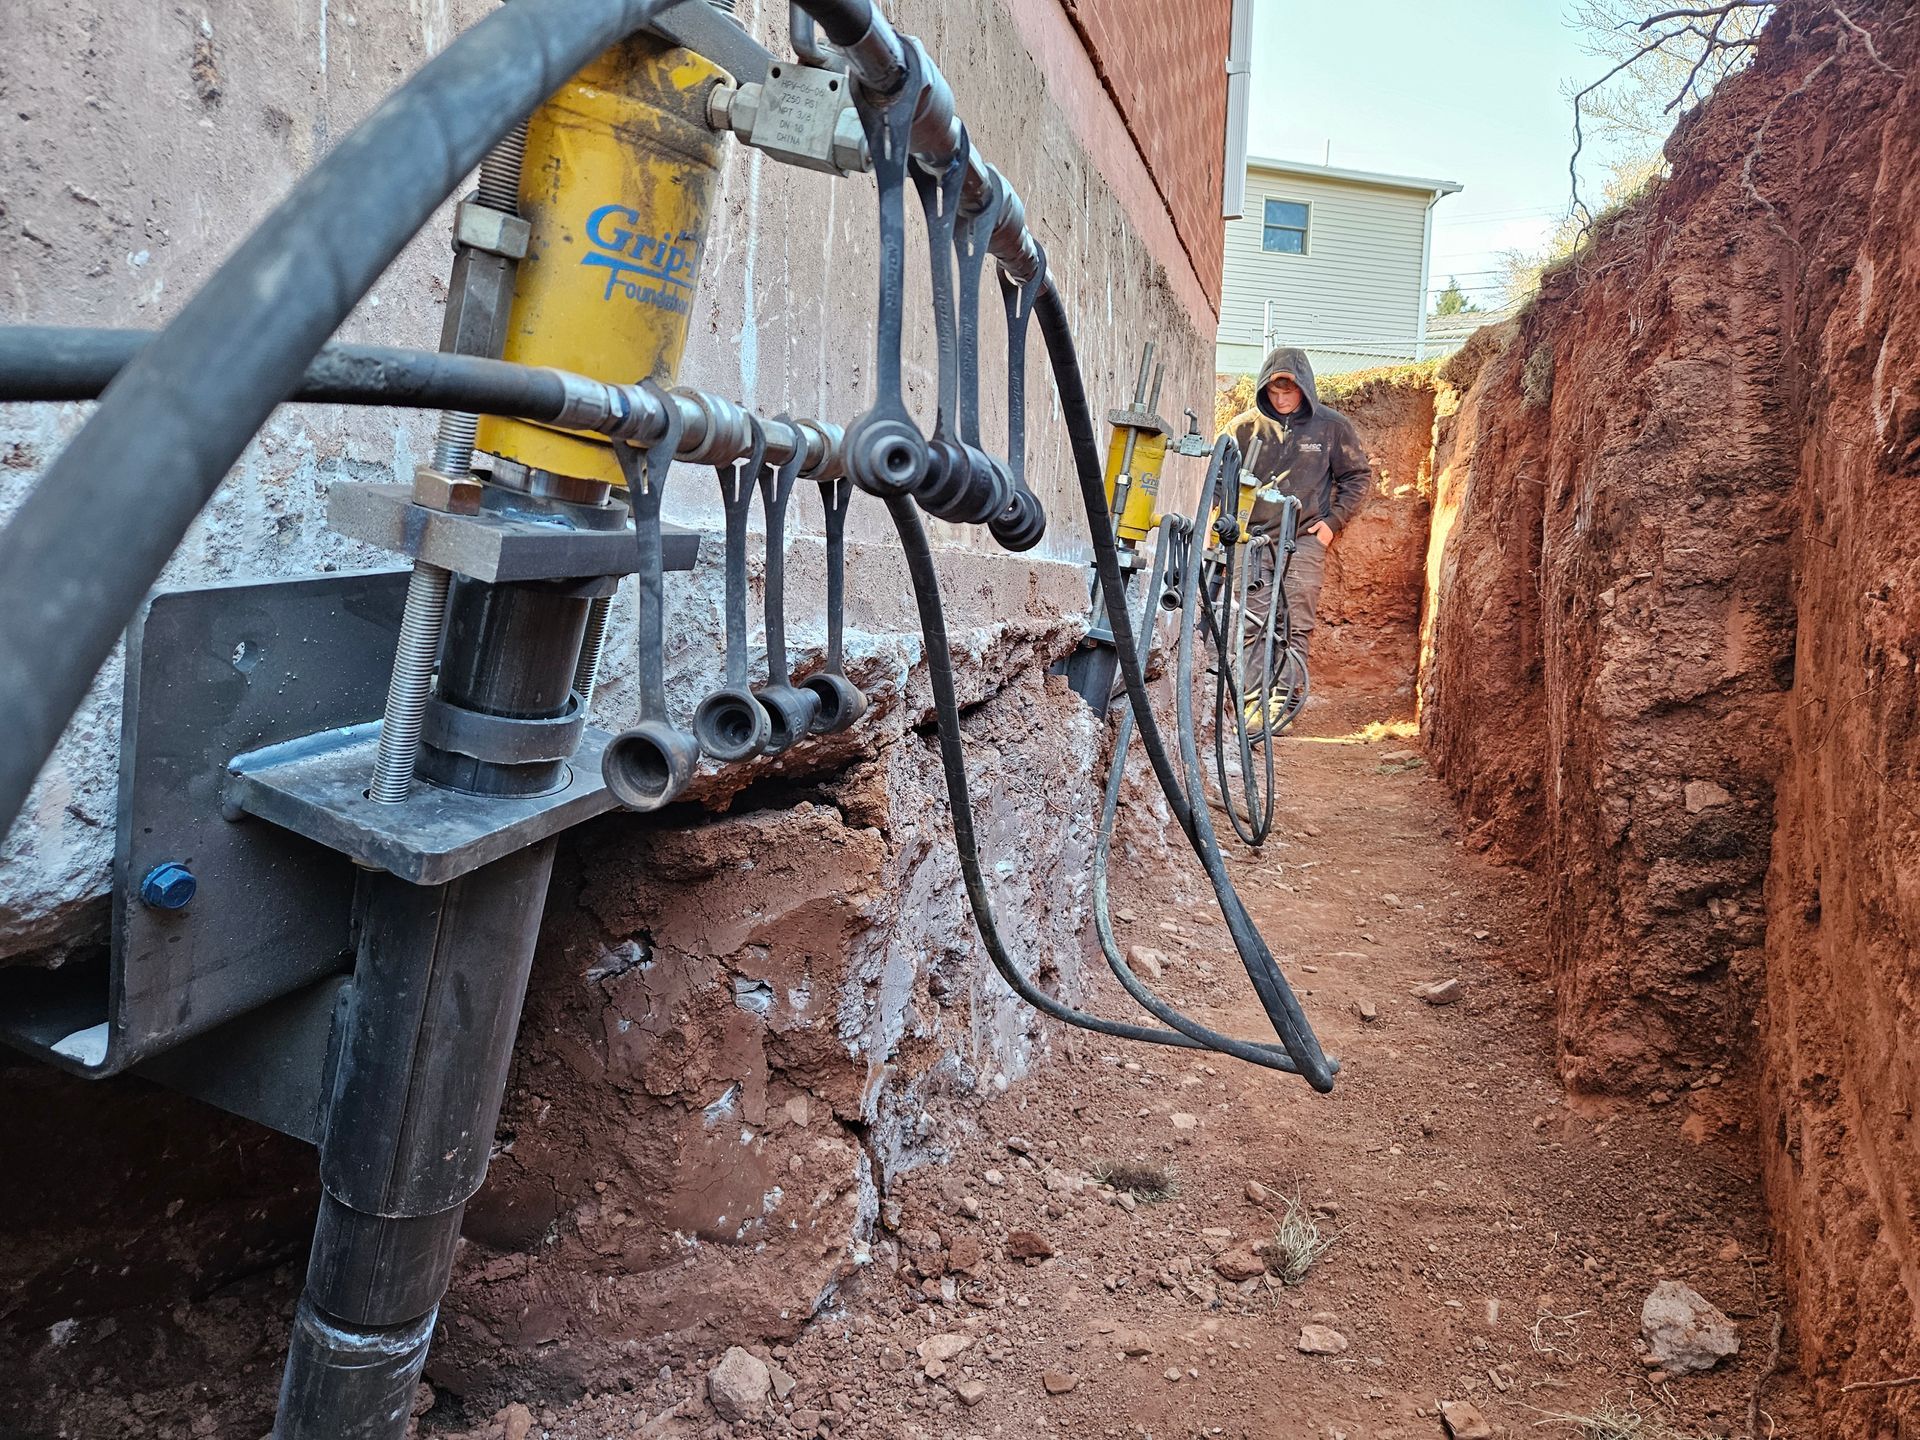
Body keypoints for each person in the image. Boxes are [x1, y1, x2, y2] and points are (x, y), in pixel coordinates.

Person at [1220, 346, 1371, 726]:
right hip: (1251, 539)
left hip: (1303, 538)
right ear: (1264, 389)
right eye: (1275, 391)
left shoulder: (1331, 427)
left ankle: (1281, 705)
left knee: (1294, 623)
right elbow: (1219, 480)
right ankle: (1252, 704)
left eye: (1290, 391)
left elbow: (1357, 476)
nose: (1283, 398)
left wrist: (1332, 524)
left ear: (1304, 388)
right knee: (1251, 622)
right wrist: (1228, 520)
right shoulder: (1242, 429)